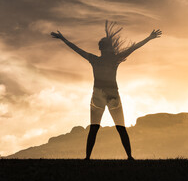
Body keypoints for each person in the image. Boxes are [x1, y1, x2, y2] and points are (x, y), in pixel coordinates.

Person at [51, 20, 162, 160]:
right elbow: (133, 48)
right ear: (109, 48)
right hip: (112, 95)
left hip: (99, 95)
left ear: (101, 49)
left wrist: (63, 39)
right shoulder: (113, 59)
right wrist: (149, 38)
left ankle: (89, 158)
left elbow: (76, 49)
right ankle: (128, 157)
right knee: (118, 128)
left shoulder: (96, 59)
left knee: (96, 128)